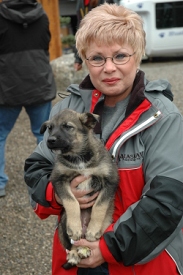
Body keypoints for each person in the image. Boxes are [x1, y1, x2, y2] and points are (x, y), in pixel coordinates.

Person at [24, 3, 183, 275]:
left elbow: (167, 202)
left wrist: (108, 248)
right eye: (97, 58)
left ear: (138, 55)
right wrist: (61, 194)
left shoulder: (162, 116)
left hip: (138, 262)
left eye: (120, 56)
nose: (109, 68)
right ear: (84, 59)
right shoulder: (66, 110)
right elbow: (36, 169)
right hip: (76, 260)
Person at [0, 0, 56, 197]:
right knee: (44, 135)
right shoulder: (41, 15)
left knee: (0, 135)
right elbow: (45, 43)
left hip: (7, 86)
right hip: (39, 82)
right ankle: (48, 178)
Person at [74, 0, 115, 71]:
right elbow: (80, 31)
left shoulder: (106, 1)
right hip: (91, 48)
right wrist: (78, 59)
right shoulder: (81, 2)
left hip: (107, 45)